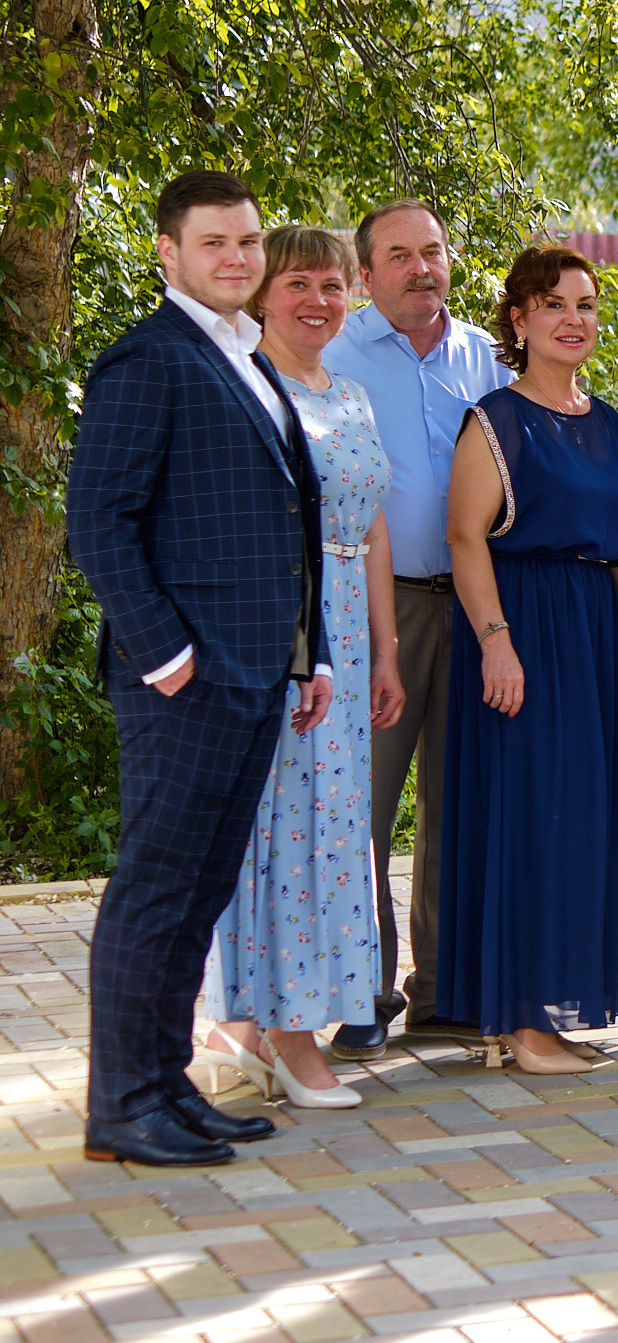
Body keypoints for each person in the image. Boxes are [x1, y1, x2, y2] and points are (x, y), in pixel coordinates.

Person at [68, 171, 332, 1167]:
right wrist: (166, 655)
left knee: (200, 890)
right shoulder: (147, 361)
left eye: (248, 241)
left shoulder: (245, 357)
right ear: (169, 253)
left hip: (258, 673)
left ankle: (163, 1087)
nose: (236, 256)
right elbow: (99, 522)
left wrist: (309, 656)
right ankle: (121, 1107)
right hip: (184, 681)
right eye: (214, 242)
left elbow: (284, 526)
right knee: (156, 888)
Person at [196, 228, 403, 1112]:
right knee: (282, 831)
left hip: (352, 640)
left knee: (333, 828)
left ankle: (258, 1026)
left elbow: (375, 528)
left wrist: (387, 649)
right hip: (280, 632)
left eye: (332, 284)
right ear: (261, 294)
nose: (318, 300)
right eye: (297, 284)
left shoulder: (350, 394)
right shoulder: (244, 387)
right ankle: (284, 1034)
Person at [441, 248, 618, 1072]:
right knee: (527, 813)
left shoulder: (607, 423)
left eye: (588, 305)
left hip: (594, 632)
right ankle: (522, 1023)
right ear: (521, 319)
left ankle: (541, 1016)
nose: (575, 319)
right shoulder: (494, 419)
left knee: (580, 820)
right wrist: (497, 642)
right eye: (555, 304)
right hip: (522, 624)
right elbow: (465, 537)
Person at [321, 199, 513, 1058]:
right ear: (367, 274)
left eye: (432, 251)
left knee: (457, 802)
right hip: (376, 604)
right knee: (363, 800)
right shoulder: (332, 351)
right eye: (397, 256)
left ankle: (443, 992)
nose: (419, 268)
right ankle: (363, 989)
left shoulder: (488, 358)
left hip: (478, 604)